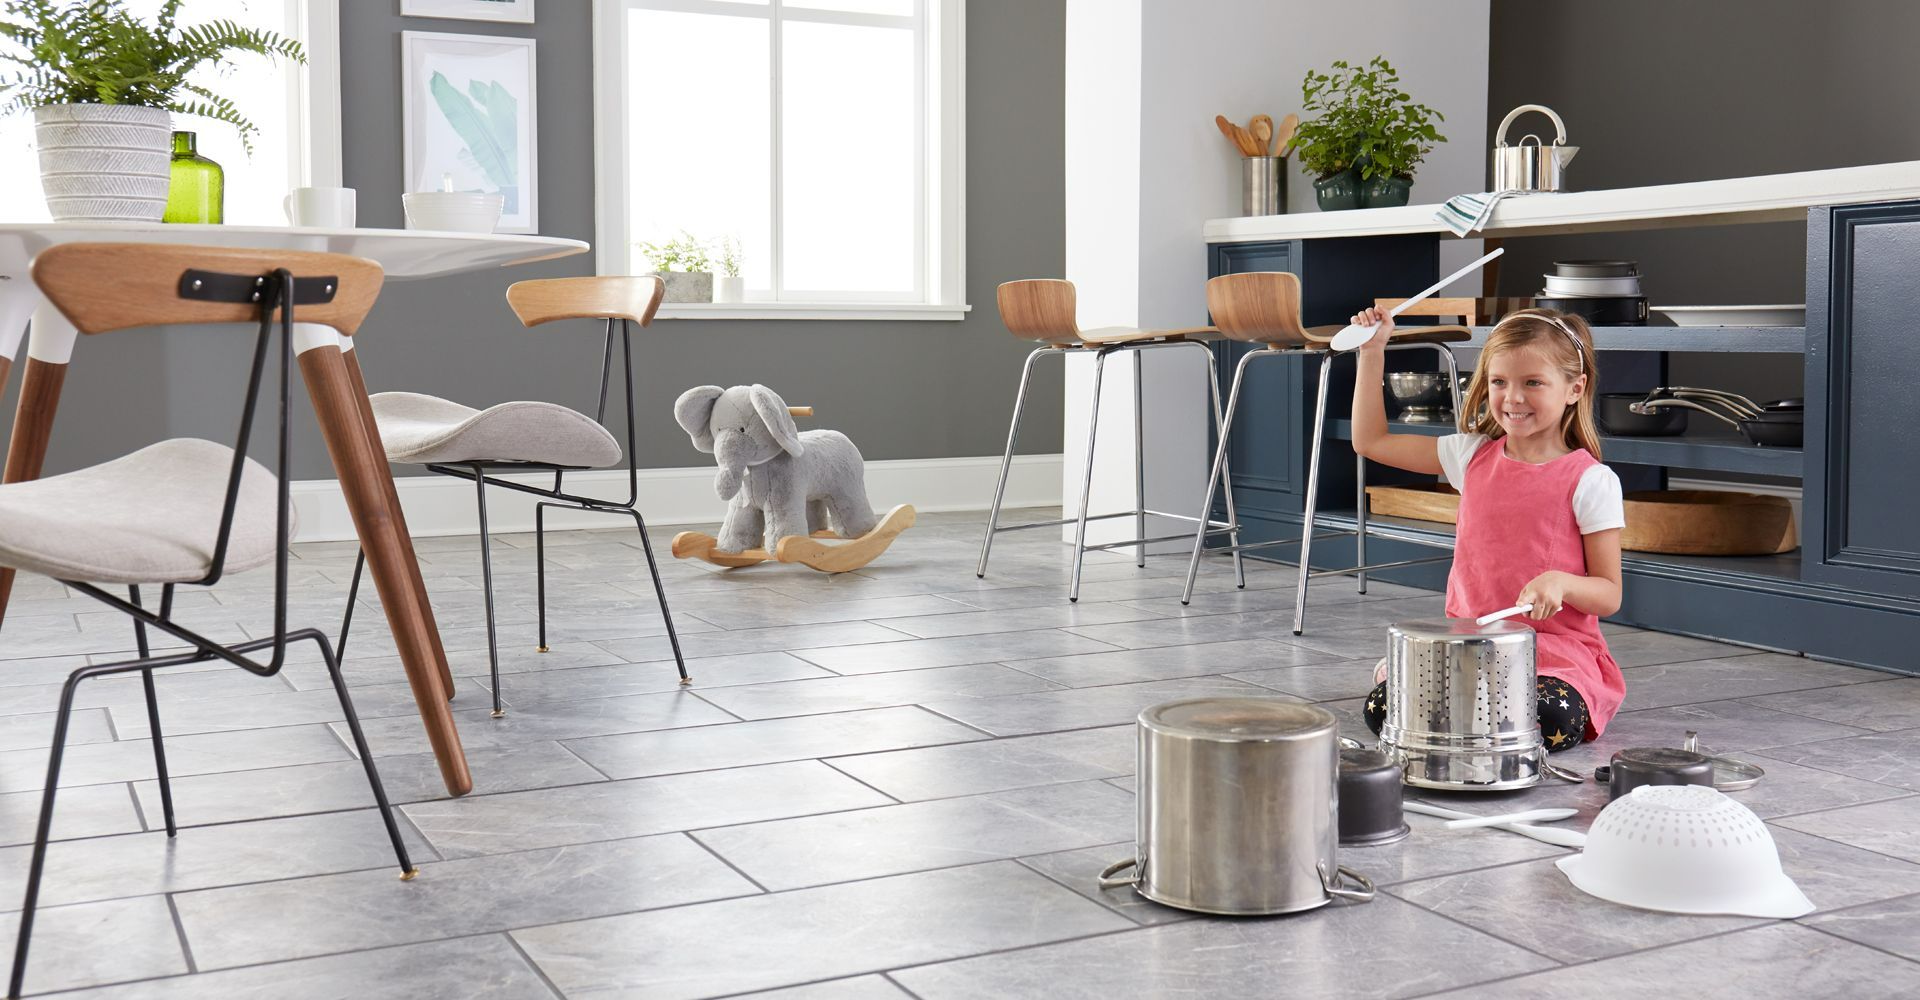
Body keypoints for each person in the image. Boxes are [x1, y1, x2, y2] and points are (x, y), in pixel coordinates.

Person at [1353, 307, 1624, 749]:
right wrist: (1372, 352)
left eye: (1532, 382)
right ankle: (1461, 710)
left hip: (1552, 658)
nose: (1512, 398)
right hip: (1466, 650)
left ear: (1575, 389)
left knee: (1548, 714)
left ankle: (1462, 716)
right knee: (1380, 710)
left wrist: (1561, 583)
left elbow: (1609, 594)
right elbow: (1371, 442)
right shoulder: (1470, 455)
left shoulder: (1591, 480)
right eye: (1500, 382)